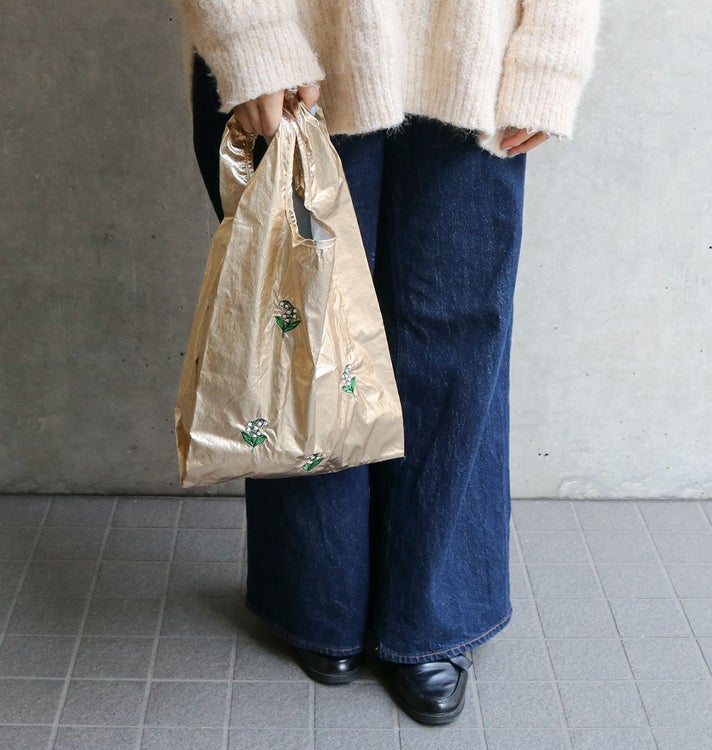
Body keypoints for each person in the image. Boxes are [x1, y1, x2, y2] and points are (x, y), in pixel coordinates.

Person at [173, 0, 600, 726]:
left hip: (475, 48)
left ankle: (435, 611)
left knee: (457, 335)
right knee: (304, 334)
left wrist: (553, 52)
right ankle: (318, 597)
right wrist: (249, 36)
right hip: (294, 41)